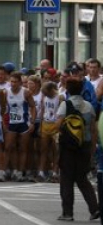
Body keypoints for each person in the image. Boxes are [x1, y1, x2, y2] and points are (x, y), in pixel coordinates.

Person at [55, 78, 100, 222]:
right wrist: (92, 148)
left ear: (67, 89)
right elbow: (93, 130)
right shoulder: (88, 106)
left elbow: (58, 126)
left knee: (66, 179)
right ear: (82, 89)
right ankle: (94, 209)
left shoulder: (65, 105)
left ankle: (67, 213)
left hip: (68, 147)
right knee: (82, 178)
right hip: (84, 145)